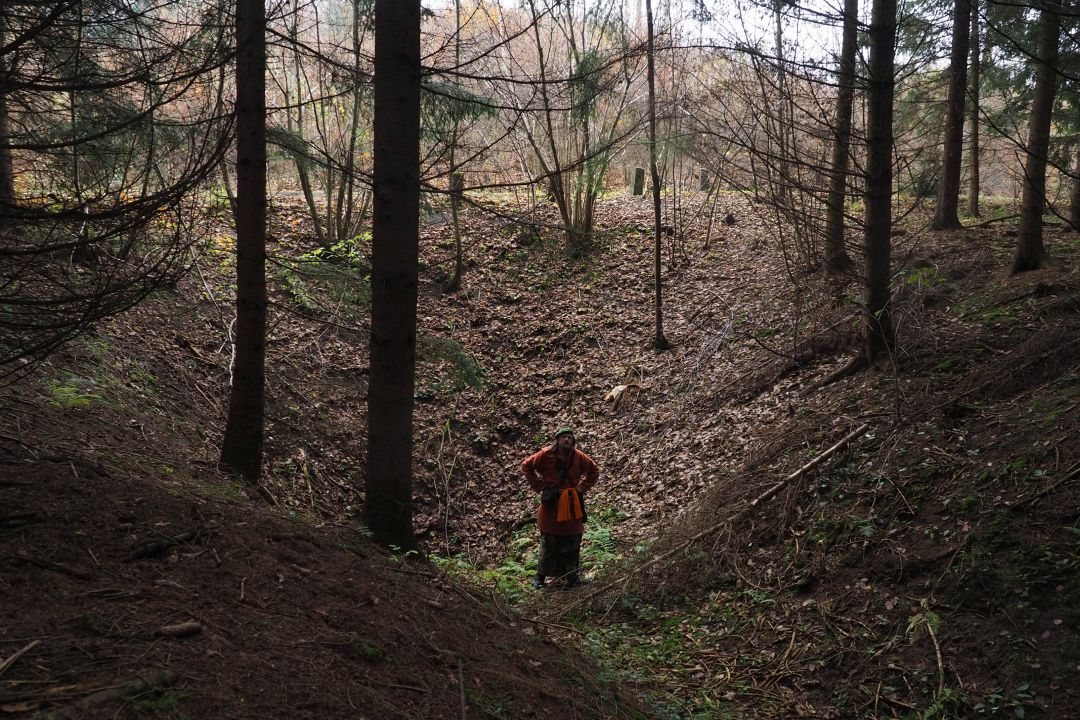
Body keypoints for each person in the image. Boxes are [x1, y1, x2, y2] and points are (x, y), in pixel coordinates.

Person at [520, 427, 599, 589]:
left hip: (571, 502)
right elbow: (527, 466)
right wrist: (540, 486)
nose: (567, 440)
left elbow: (594, 471)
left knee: (573, 539)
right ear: (557, 439)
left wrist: (582, 488)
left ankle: (572, 578)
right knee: (548, 541)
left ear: (573, 441)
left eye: (570, 437)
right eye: (564, 437)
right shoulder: (545, 454)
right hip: (552, 502)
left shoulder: (579, 457)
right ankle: (540, 578)